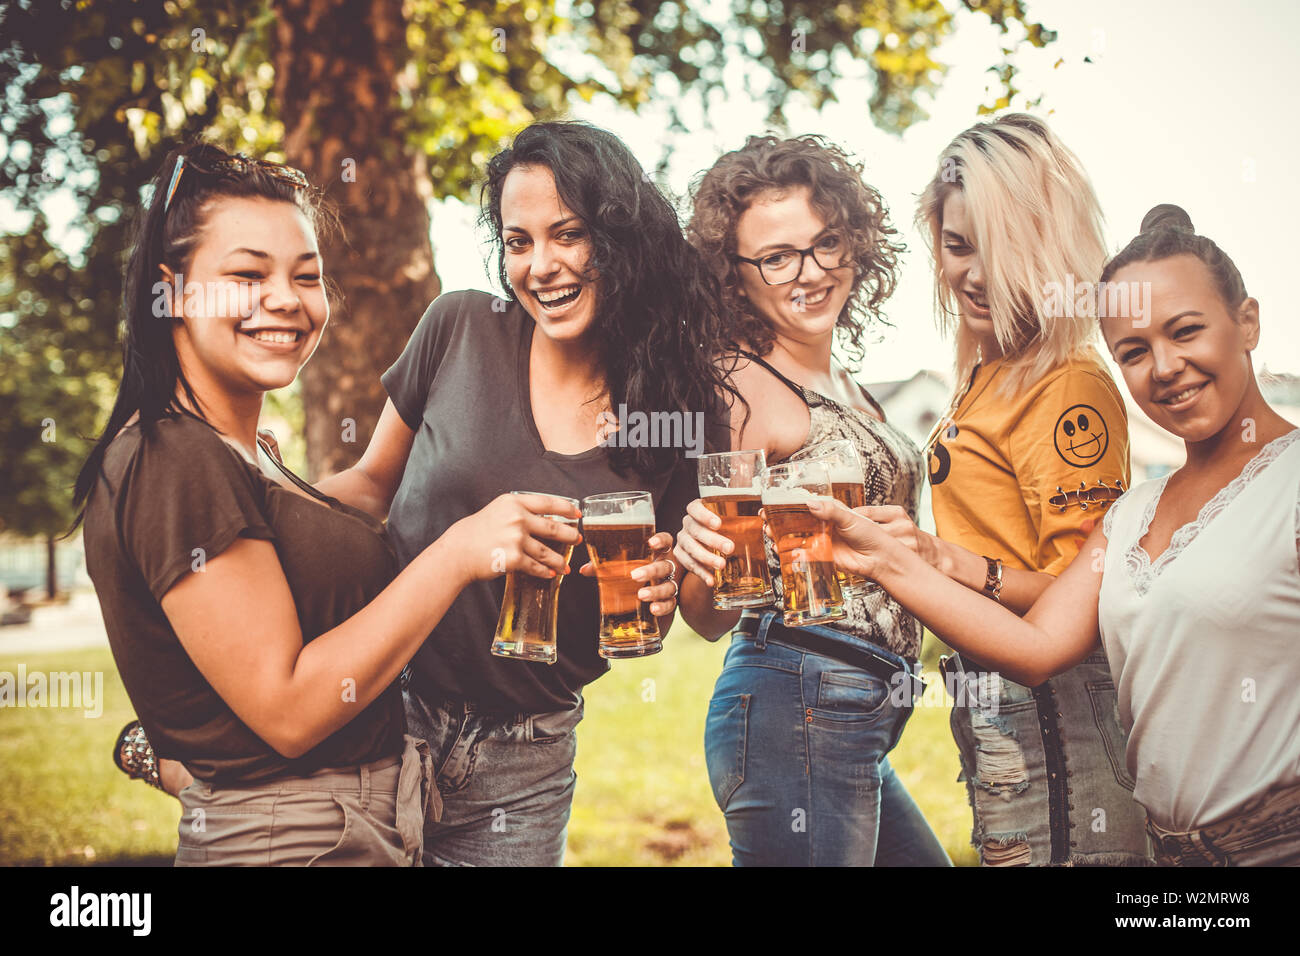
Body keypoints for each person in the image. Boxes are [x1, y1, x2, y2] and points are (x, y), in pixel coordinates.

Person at [75, 143, 581, 866]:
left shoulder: (241, 455)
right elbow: (287, 709)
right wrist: (460, 552)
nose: (285, 298)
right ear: (175, 290)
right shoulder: (175, 456)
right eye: (247, 274)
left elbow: (228, 703)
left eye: (305, 276)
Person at [810, 204, 1300, 867]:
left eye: (1186, 331)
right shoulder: (1135, 513)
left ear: (1247, 322)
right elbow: (1034, 646)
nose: (1163, 367)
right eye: (1133, 351)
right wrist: (892, 560)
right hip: (1171, 856)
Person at [308, 121, 732, 866]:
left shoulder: (682, 401)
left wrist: (679, 584)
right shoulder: (460, 327)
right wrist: (258, 498)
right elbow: (370, 485)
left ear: (620, 238)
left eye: (567, 234)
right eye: (518, 241)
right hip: (383, 715)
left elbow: (703, 614)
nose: (541, 266)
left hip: (526, 760)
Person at [876, 113, 1149, 866]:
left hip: (1057, 710)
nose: (971, 274)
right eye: (957, 245)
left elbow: (1084, 603)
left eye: (997, 251)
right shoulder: (987, 370)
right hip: (996, 703)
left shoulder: (1067, 381)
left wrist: (955, 567)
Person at [672, 134, 951, 866]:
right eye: (776, 256)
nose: (809, 272)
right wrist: (705, 548)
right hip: (795, 701)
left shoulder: (848, 385)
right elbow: (706, 613)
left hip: (850, 715)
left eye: (825, 243)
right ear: (733, 275)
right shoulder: (740, 383)